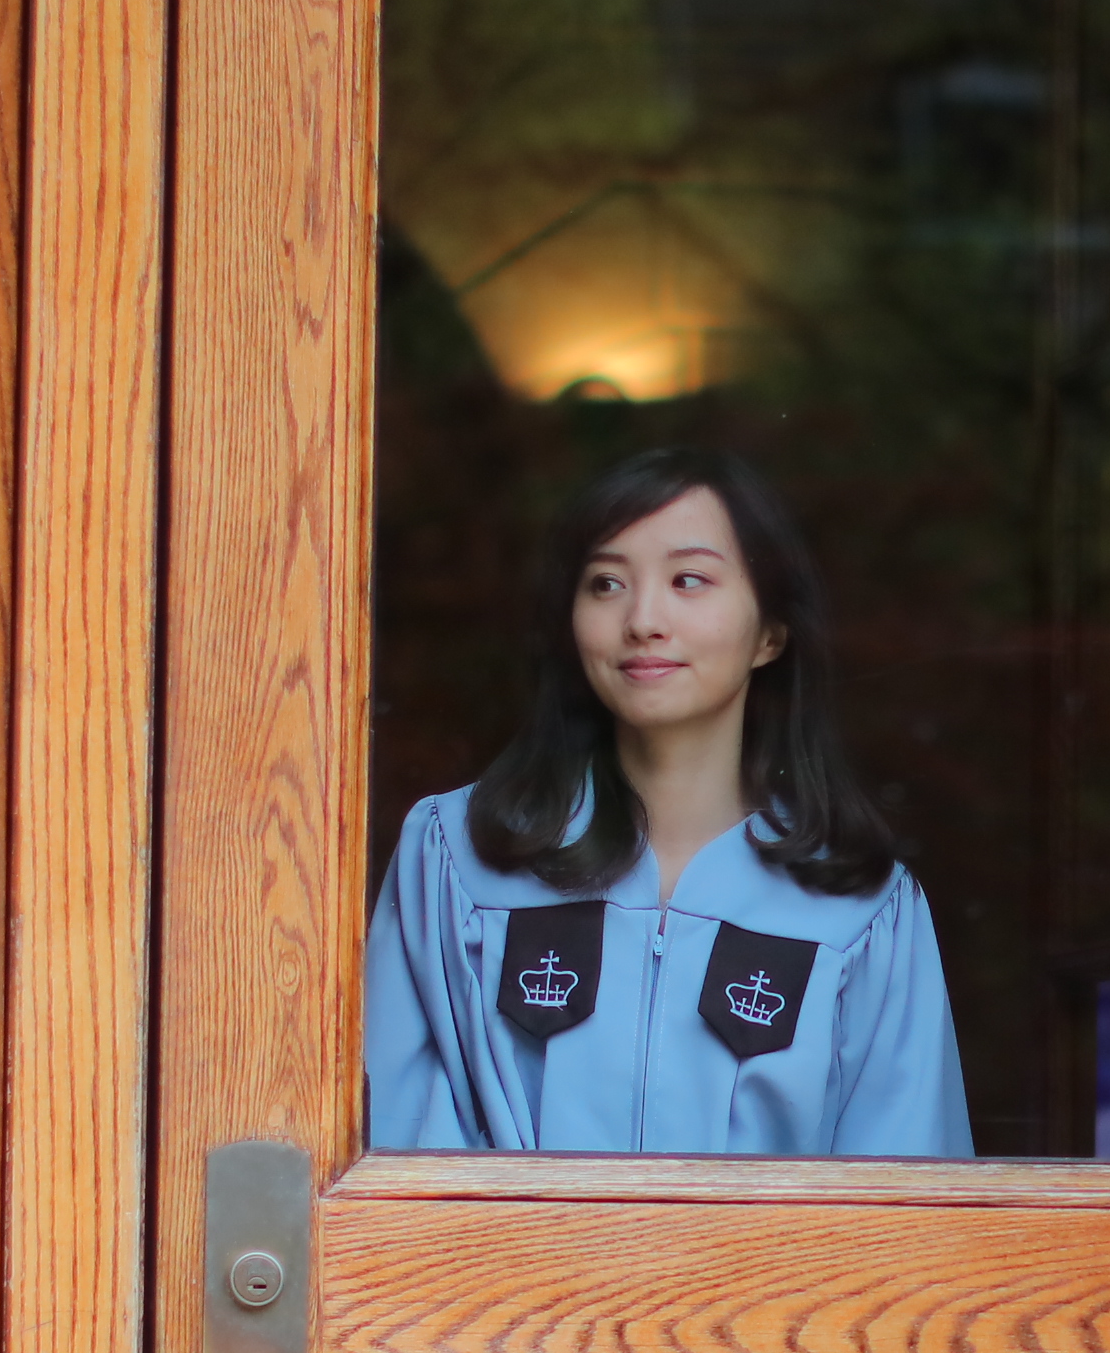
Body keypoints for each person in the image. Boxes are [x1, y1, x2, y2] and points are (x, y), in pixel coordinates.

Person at [364, 446, 969, 1156]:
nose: (643, 619)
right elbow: (392, 1158)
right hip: (493, 1267)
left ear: (769, 634)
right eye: (605, 584)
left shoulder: (862, 911)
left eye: (689, 580)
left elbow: (903, 1202)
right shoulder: (458, 859)